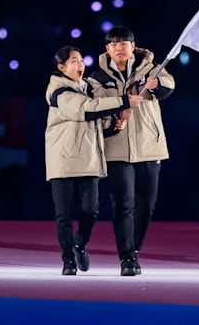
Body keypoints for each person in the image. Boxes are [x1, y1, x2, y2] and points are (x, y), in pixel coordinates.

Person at [44, 45, 143, 275]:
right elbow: (86, 110)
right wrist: (124, 101)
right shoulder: (59, 92)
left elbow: (97, 122)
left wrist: (115, 124)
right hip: (64, 162)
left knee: (90, 211)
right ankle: (68, 261)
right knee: (64, 215)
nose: (80, 64)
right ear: (61, 68)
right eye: (73, 61)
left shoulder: (88, 88)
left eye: (81, 60)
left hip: (89, 161)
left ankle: (80, 243)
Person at [88, 26, 175, 276]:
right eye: (114, 44)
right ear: (107, 49)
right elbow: (95, 107)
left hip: (149, 147)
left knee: (146, 206)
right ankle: (127, 258)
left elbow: (169, 86)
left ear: (133, 46)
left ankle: (134, 249)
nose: (119, 48)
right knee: (123, 204)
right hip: (117, 149)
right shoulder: (97, 78)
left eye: (124, 43)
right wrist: (116, 115)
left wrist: (156, 84)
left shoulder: (151, 68)